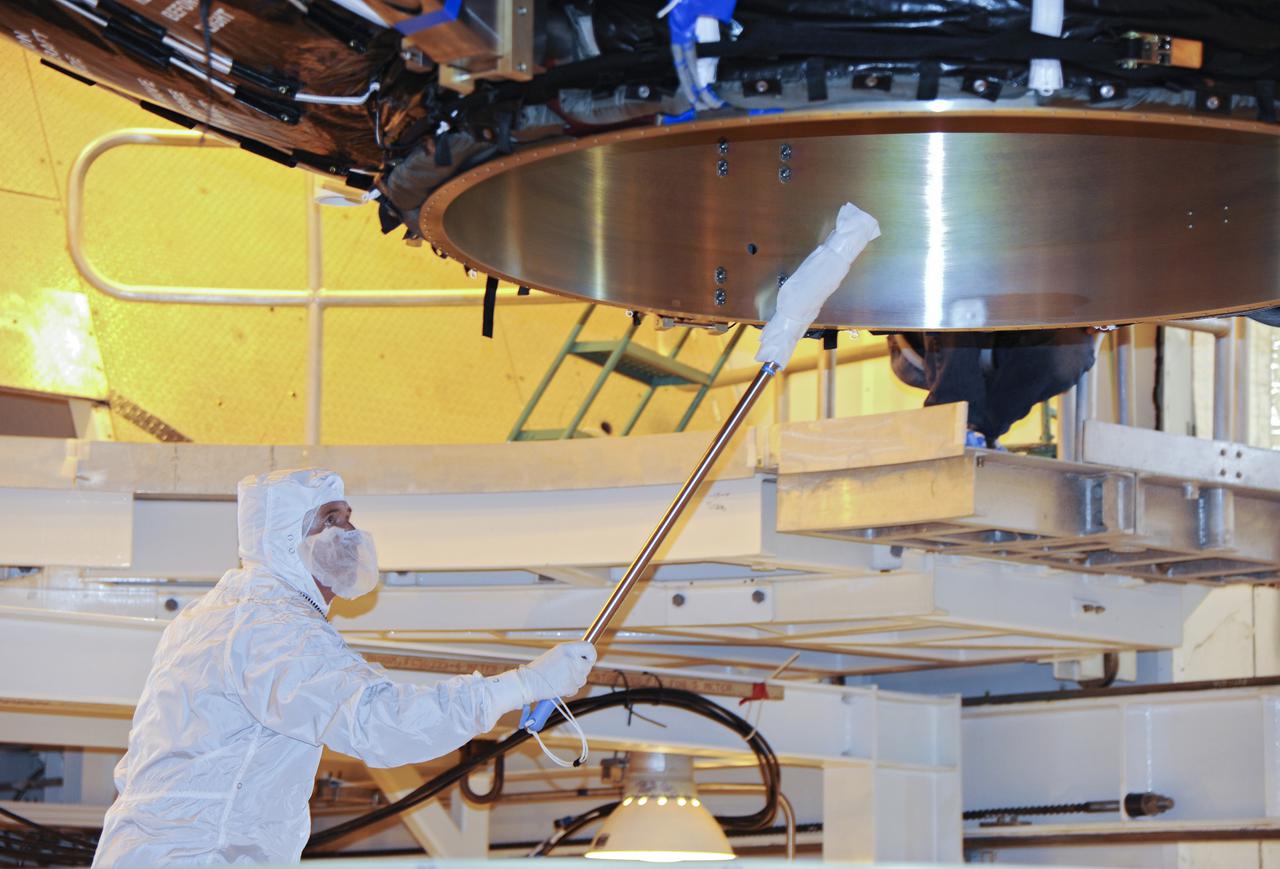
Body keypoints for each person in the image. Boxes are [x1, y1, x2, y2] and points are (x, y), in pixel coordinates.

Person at [92, 468, 595, 866]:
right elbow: (378, 722)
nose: (351, 532)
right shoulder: (268, 628)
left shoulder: (227, 616)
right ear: (283, 540)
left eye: (349, 517)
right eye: (331, 520)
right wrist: (522, 685)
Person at [887, 329, 1097, 448]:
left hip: (1007, 335)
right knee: (958, 273)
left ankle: (980, 431)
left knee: (1073, 349)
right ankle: (955, 421)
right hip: (929, 341)